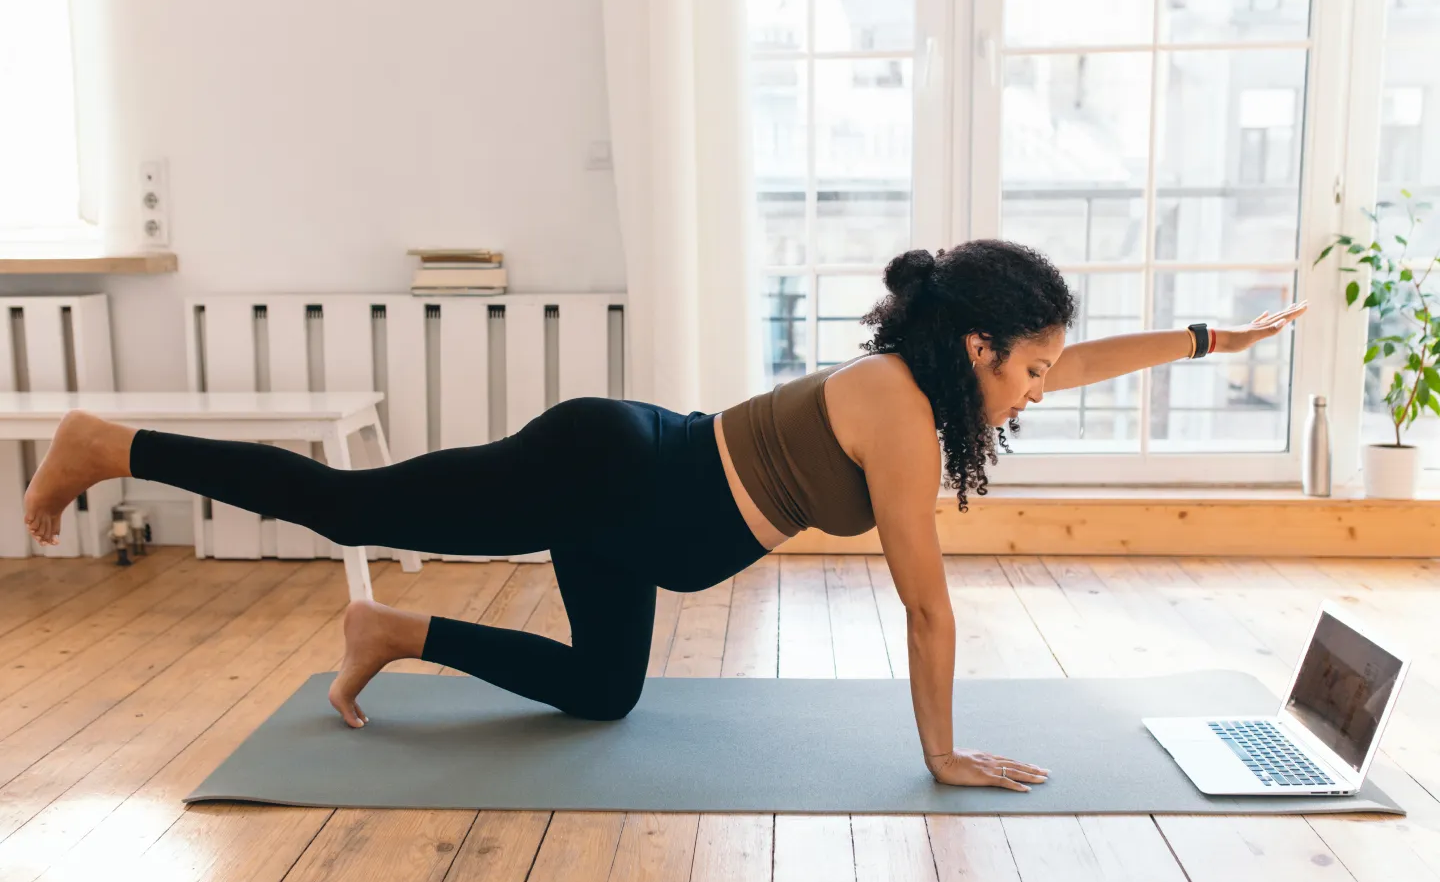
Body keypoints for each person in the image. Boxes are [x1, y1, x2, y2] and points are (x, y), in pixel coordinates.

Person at [22, 240, 1305, 793]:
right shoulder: (903, 419)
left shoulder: (937, 379)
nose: (1041, 386)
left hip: (635, 514)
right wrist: (943, 753)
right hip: (606, 475)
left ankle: (390, 632)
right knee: (344, 502)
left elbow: (1081, 361)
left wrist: (1211, 339)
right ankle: (107, 445)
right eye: (1030, 367)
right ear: (977, 346)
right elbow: (926, 608)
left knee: (603, 692)